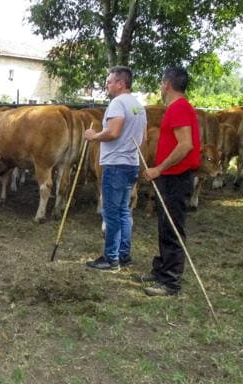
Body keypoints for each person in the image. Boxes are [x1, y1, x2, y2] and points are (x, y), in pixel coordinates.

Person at [140, 66, 201, 296]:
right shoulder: (178, 108)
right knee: (165, 225)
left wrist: (159, 168)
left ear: (166, 84)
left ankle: (171, 282)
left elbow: (186, 145)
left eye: (161, 82)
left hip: (176, 177)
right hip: (170, 176)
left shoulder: (179, 108)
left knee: (173, 228)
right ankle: (161, 270)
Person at [84, 66, 146, 272]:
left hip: (115, 164)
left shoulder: (118, 103)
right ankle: (123, 254)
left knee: (111, 213)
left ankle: (111, 259)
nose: (107, 85)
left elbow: (113, 132)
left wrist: (94, 136)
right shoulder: (138, 106)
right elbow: (143, 138)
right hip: (131, 163)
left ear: (121, 83)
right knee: (123, 211)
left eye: (110, 81)